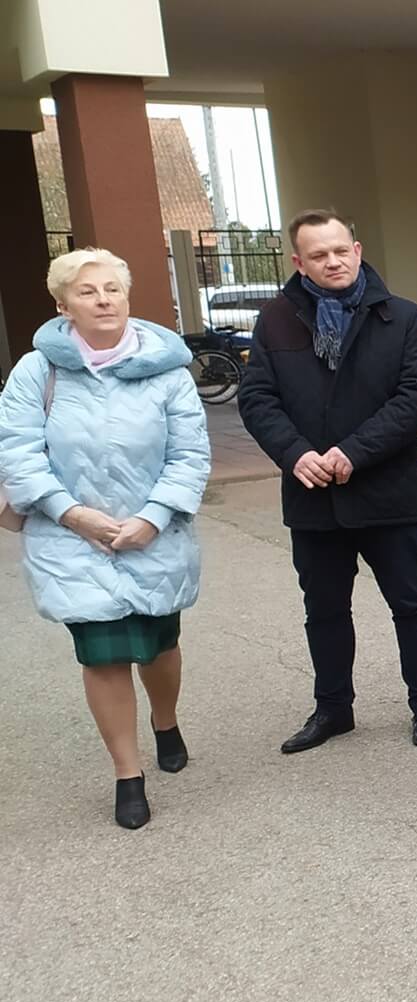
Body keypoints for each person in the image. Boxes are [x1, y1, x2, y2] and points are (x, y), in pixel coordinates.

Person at [0, 249, 210, 829]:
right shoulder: (35, 372)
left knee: (160, 645)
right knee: (104, 653)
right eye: (88, 291)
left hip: (153, 534)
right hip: (71, 538)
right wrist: (72, 515)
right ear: (63, 303)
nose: (103, 300)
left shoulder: (165, 370)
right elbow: (18, 454)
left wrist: (155, 515)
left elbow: (189, 454)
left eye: (113, 288)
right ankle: (127, 773)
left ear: (128, 296)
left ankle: (164, 721)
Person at [237, 209, 417, 754]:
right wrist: (294, 454)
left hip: (387, 492)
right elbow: (258, 399)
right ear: (298, 262)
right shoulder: (276, 320)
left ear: (357, 250)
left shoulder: (401, 316)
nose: (332, 261)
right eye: (318, 254)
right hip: (313, 496)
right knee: (325, 610)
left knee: (411, 602)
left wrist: (355, 452)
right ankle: (333, 709)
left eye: (340, 250)